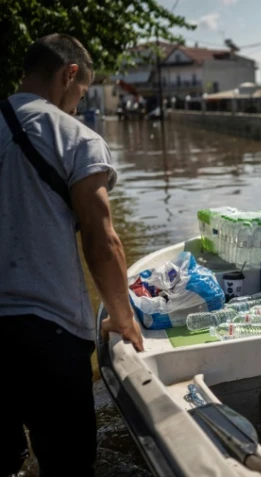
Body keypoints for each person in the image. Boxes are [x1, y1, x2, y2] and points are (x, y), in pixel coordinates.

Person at [0, 34, 144, 477]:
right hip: (50, 335)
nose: (78, 106)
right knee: (69, 465)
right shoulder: (76, 137)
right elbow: (102, 244)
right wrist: (122, 318)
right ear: (70, 75)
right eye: (80, 94)